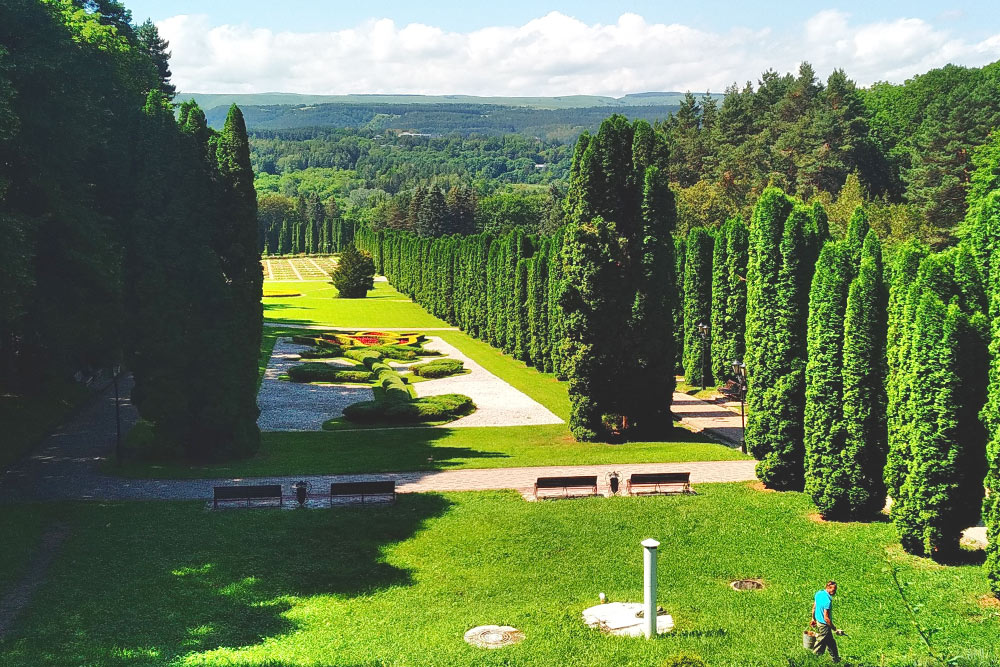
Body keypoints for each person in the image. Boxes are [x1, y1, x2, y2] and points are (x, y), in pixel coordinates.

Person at [810, 580, 842, 662]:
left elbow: (814, 607)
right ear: (828, 588)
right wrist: (835, 629)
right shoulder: (828, 601)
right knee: (820, 643)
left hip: (818, 622)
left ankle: (836, 659)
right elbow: (826, 618)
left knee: (831, 642)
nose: (835, 592)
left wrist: (813, 619)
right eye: (834, 590)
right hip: (824, 625)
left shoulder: (818, 593)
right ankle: (812, 659)